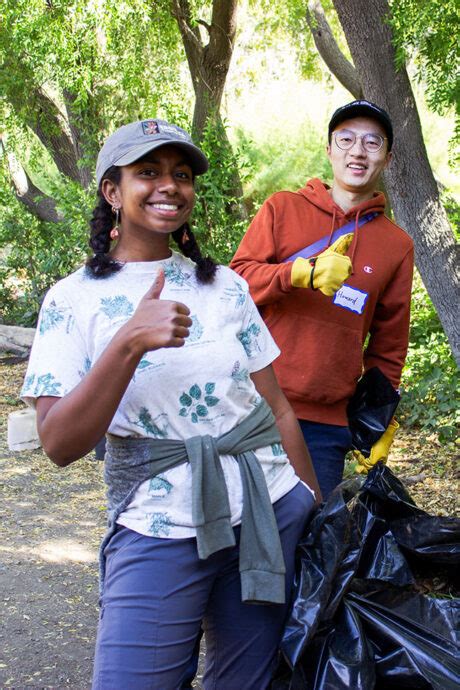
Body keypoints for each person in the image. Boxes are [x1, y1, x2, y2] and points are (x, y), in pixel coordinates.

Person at [21, 118, 322, 690]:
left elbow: (276, 405)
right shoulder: (72, 300)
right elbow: (59, 444)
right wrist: (129, 341)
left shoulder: (225, 286)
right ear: (113, 191)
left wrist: (311, 500)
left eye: (180, 174)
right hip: (157, 525)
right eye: (148, 172)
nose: (169, 186)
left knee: (247, 681)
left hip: (266, 511)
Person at [230, 100, 414, 499]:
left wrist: (377, 419)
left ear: (387, 157)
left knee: (305, 545)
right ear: (329, 150)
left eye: (372, 142)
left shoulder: (396, 245)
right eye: (345, 140)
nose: (357, 151)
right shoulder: (283, 208)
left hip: (325, 425)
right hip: (250, 405)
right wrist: (298, 273)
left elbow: (389, 347)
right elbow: (235, 284)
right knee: (232, 542)